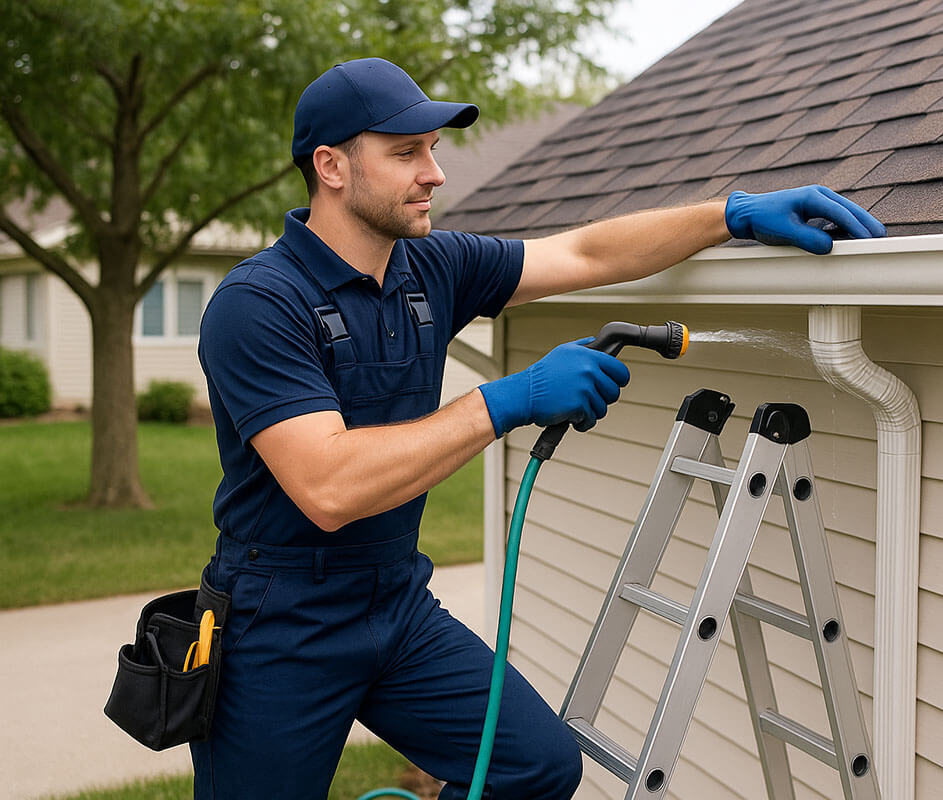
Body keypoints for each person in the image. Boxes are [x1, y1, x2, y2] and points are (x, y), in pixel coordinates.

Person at [192, 57, 886, 800]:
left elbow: (585, 252)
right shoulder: (259, 303)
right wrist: (509, 399)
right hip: (280, 619)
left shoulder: (432, 268)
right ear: (330, 166)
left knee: (535, 767)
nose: (435, 174)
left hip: (392, 603)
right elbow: (328, 486)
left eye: (432, 149)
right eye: (405, 153)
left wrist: (729, 215)